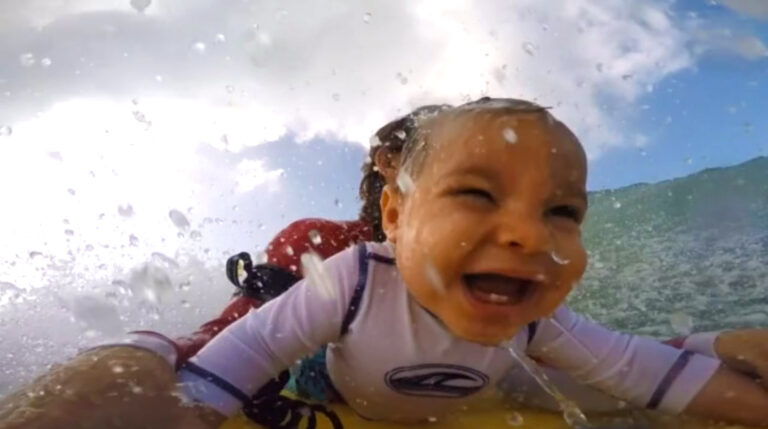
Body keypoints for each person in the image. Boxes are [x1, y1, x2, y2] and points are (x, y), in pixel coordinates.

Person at [2, 98, 768, 429]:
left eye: (560, 209)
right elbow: (244, 338)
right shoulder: (334, 250)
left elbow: (619, 362)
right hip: (320, 370)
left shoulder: (509, 287)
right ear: (392, 189)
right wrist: (192, 394)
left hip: (474, 375)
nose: (522, 229)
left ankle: (719, 343)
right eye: (473, 188)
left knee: (610, 356)